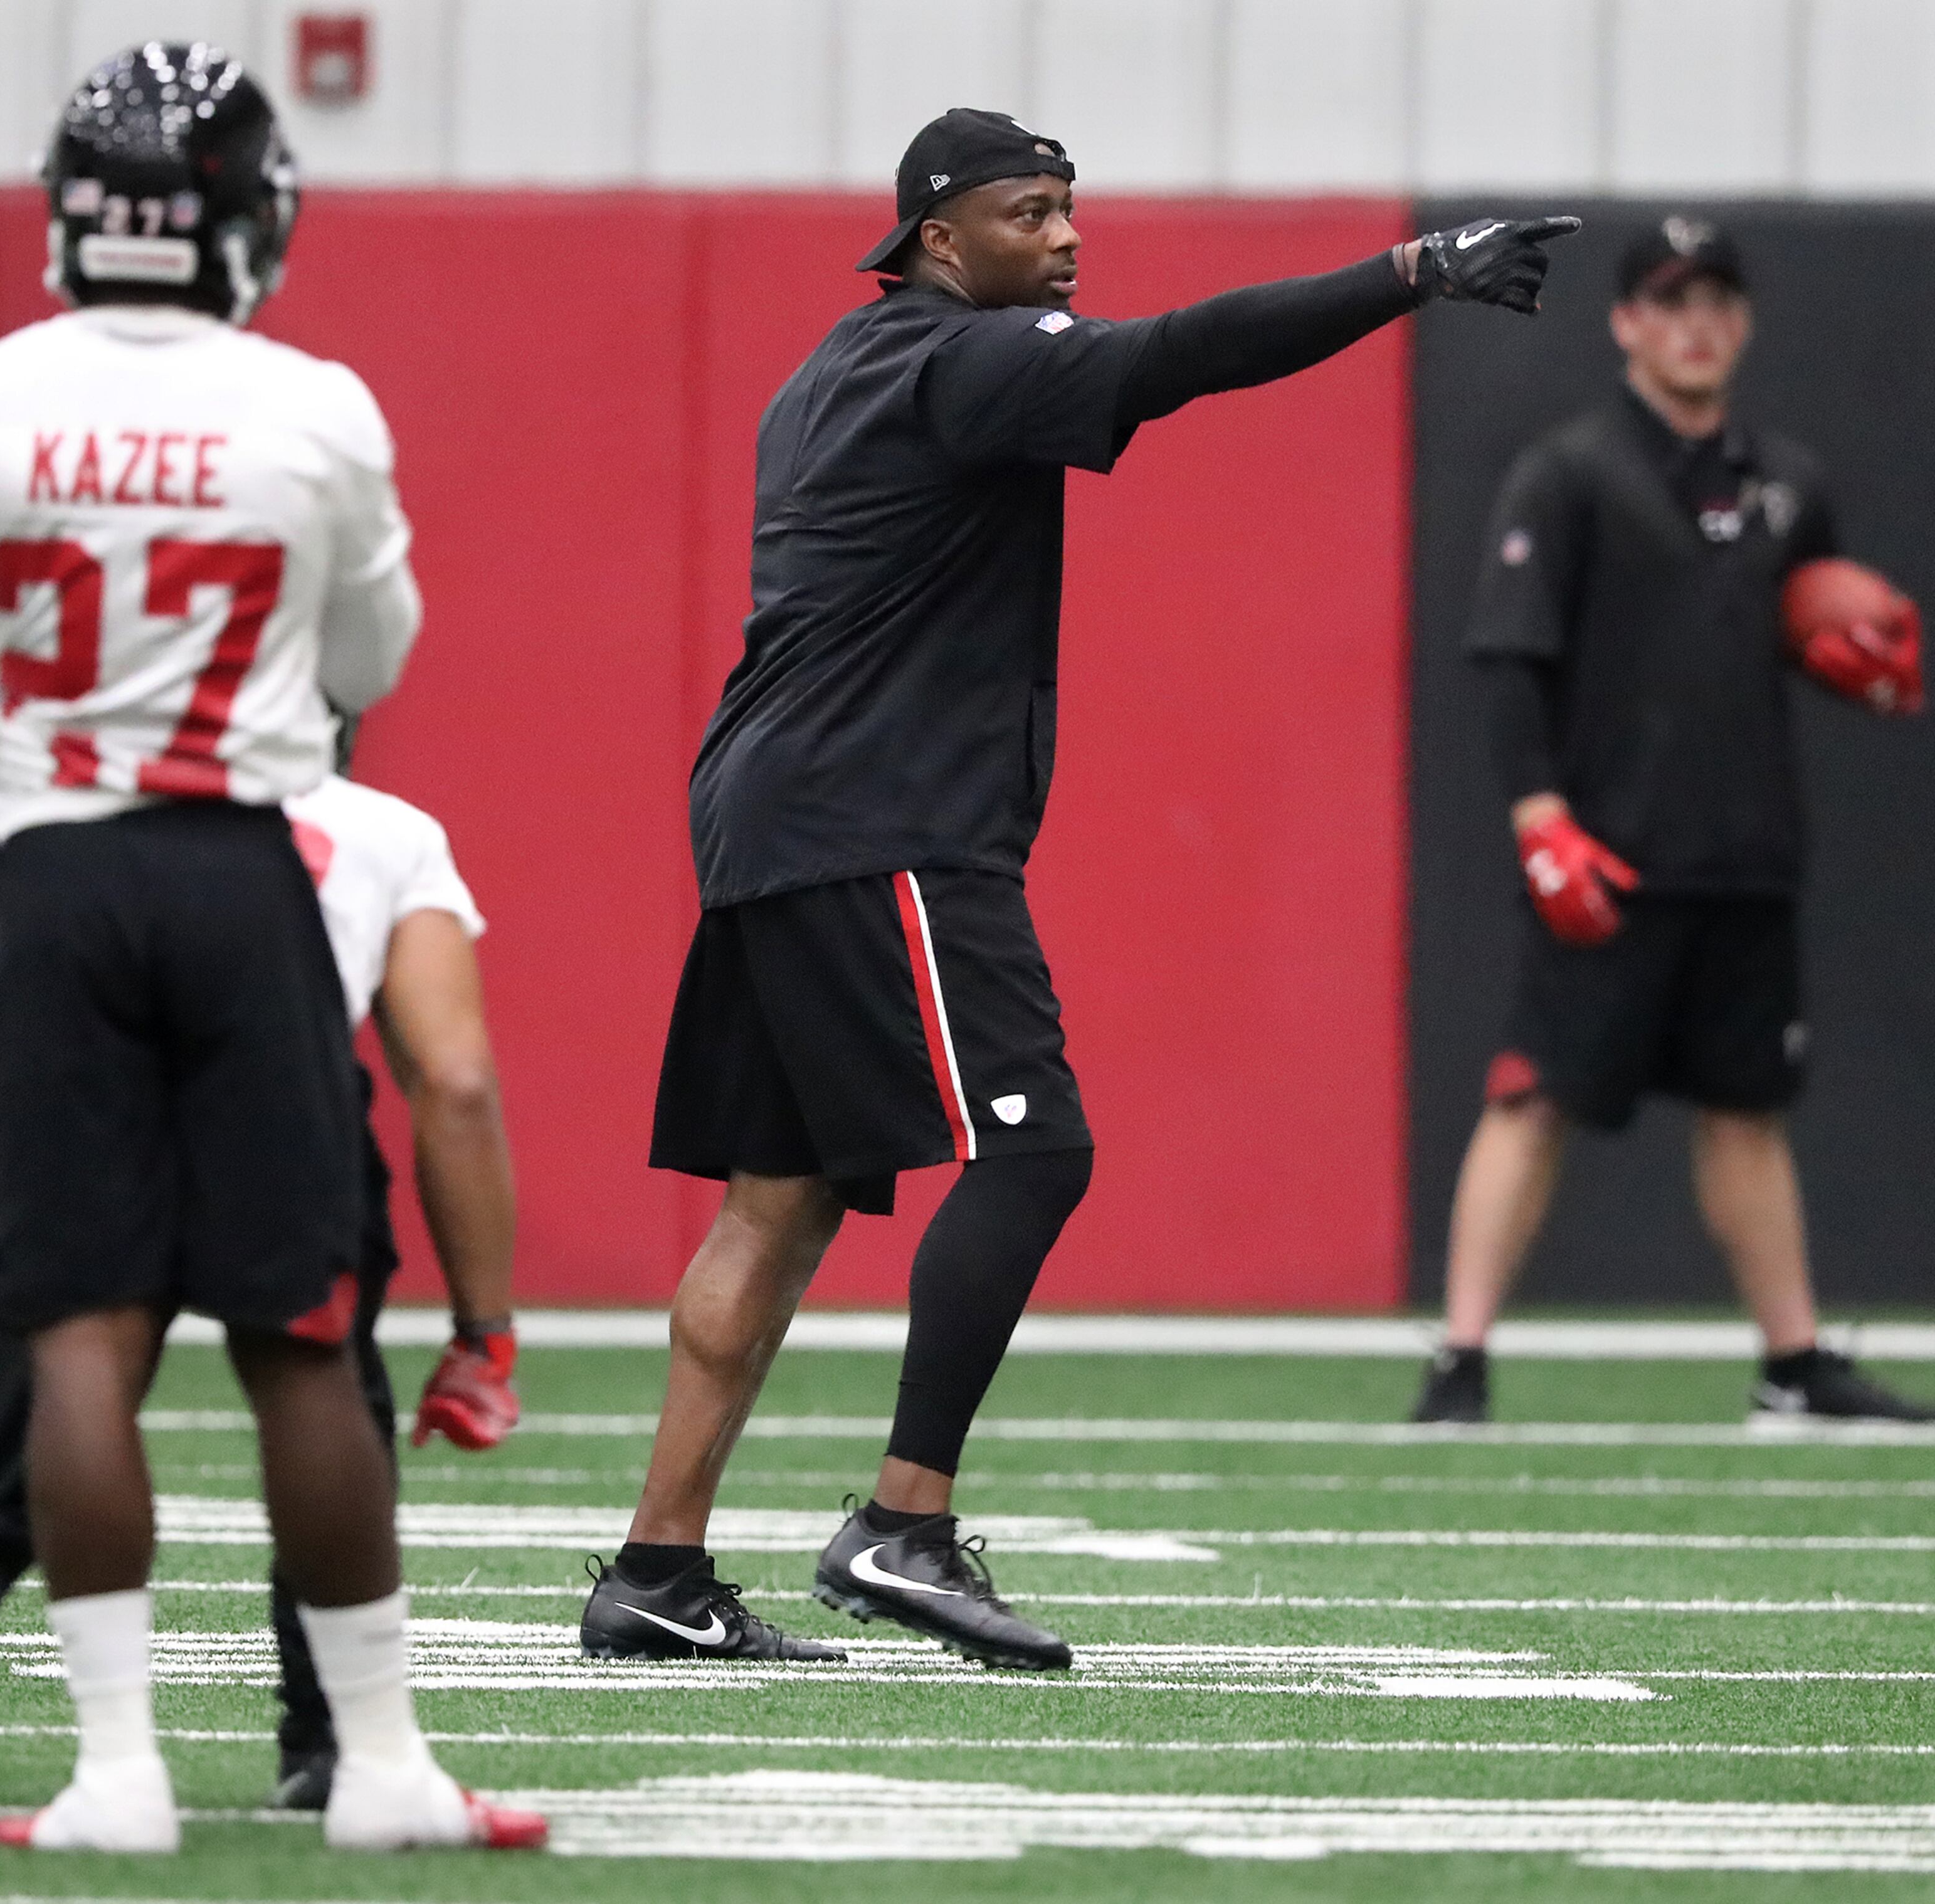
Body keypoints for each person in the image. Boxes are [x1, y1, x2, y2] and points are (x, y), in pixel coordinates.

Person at [579, 106, 1579, 1674]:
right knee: (1038, 1153)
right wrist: (1410, 270)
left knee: (775, 1203)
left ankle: (656, 1565)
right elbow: (1176, 356)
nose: (1063, 237)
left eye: (1068, 208)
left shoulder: (826, 373)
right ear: (935, 239)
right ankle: (903, 1524)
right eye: (1029, 212)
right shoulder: (959, 361)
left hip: (775, 813)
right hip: (879, 819)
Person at [0, 41, 540, 1854]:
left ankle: (117, 1774)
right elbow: (373, 667)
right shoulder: (312, 405)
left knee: (78, 1326)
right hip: (245, 860)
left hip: (50, 864)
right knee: (306, 1332)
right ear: (249, 218)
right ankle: (381, 1768)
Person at [0, 771, 522, 1821]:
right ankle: (343, 1741)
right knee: (319, 1390)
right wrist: (484, 1326)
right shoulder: (378, 829)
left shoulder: (23, 817)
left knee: (21, 1428)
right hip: (279, 1114)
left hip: (78, 1121)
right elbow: (456, 1080)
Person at [1411, 217, 1931, 1427]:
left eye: (1717, 301)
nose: (1697, 323)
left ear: (1742, 321)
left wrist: (1855, 662)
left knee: (1747, 1111)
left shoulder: (1789, 482)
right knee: (1532, 1099)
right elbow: (1508, 655)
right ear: (1626, 322)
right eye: (1671, 300)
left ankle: (1792, 1365)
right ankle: (1460, 1361)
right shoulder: (1572, 471)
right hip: (1609, 851)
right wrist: (1541, 817)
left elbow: (1810, 633)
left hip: (1744, 849)